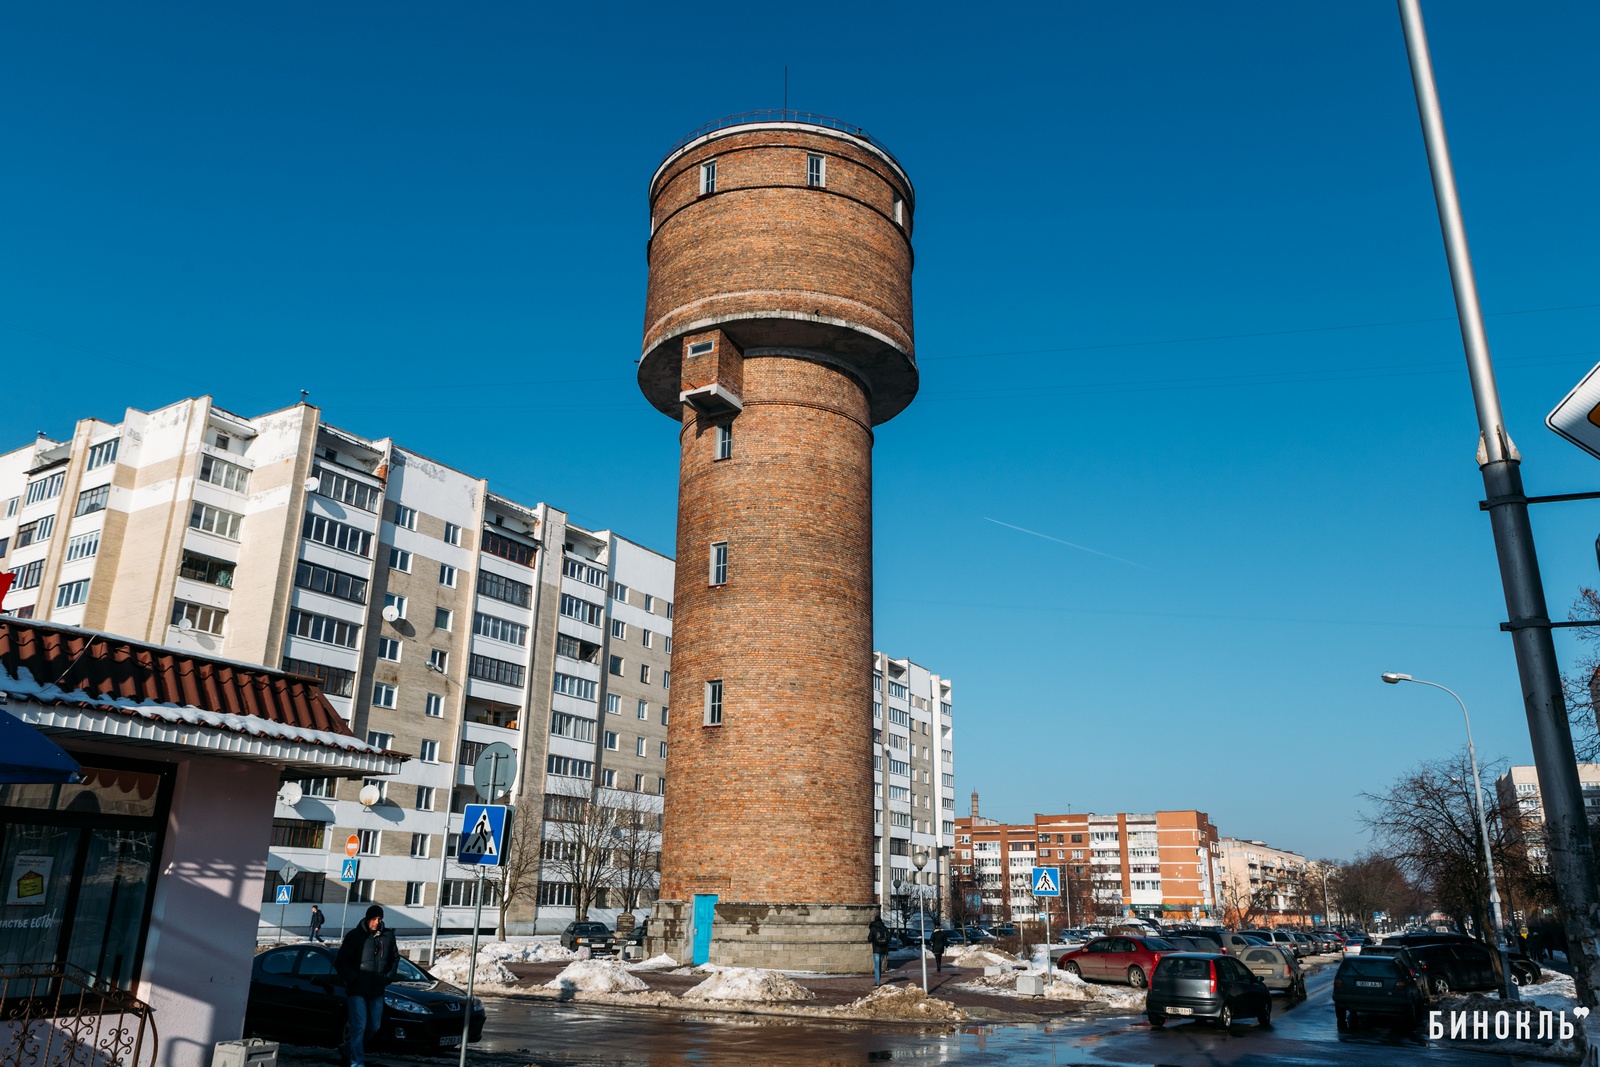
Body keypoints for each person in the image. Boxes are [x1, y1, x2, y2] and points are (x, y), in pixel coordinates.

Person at [335, 905, 398, 1067]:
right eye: (374, 919)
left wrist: (388, 977)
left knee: (374, 1026)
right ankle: (357, 1063)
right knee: (359, 1025)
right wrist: (353, 978)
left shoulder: (388, 936)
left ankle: (347, 1048)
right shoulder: (355, 936)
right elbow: (341, 961)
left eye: (379, 919)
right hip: (357, 989)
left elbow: (395, 958)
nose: (377, 922)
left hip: (377, 989)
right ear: (367, 918)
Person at [868, 914, 892, 986]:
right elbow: (889, 938)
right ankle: (878, 979)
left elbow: (869, 938)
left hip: (876, 949)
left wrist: (874, 941)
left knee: (877, 965)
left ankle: (877, 982)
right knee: (880, 965)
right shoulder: (884, 928)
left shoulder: (873, 928)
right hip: (883, 949)